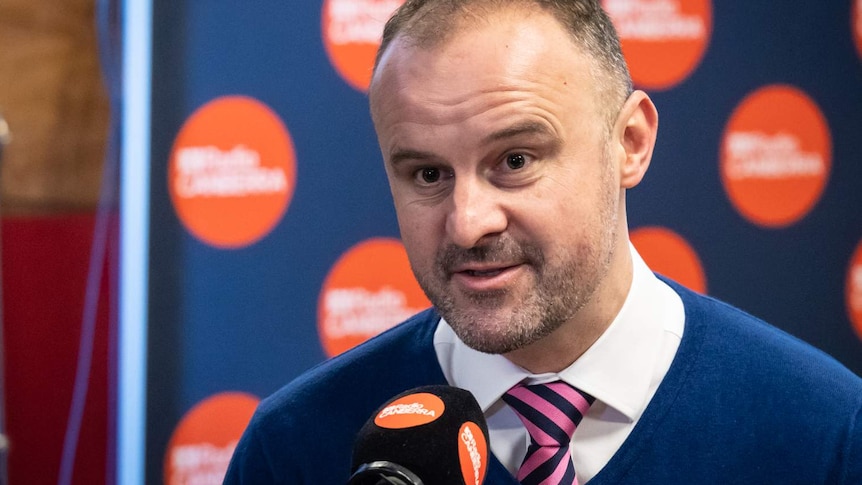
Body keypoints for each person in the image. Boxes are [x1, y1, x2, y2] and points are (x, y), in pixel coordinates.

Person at [224, 0, 862, 483]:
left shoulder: (823, 432)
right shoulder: (294, 449)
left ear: (630, 143)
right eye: (427, 174)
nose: (468, 222)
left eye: (517, 159)